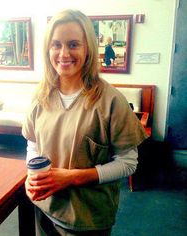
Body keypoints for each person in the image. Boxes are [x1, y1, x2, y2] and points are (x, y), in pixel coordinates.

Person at [22, 9, 148, 236]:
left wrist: (72, 177)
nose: (63, 53)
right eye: (56, 44)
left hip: (87, 218)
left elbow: (128, 163)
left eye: (73, 44)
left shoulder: (111, 101)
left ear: (88, 47)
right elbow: (33, 144)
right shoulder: (41, 96)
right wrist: (32, 176)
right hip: (45, 208)